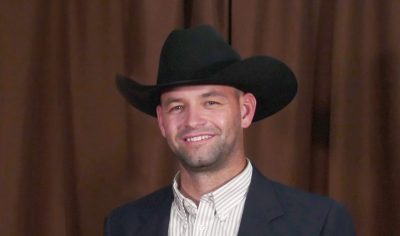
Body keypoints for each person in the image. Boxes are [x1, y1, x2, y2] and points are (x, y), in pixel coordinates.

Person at [104, 25, 355, 236]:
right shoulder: (122, 225)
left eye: (211, 103)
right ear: (161, 120)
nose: (192, 120)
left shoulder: (318, 224)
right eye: (177, 107)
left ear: (245, 111)